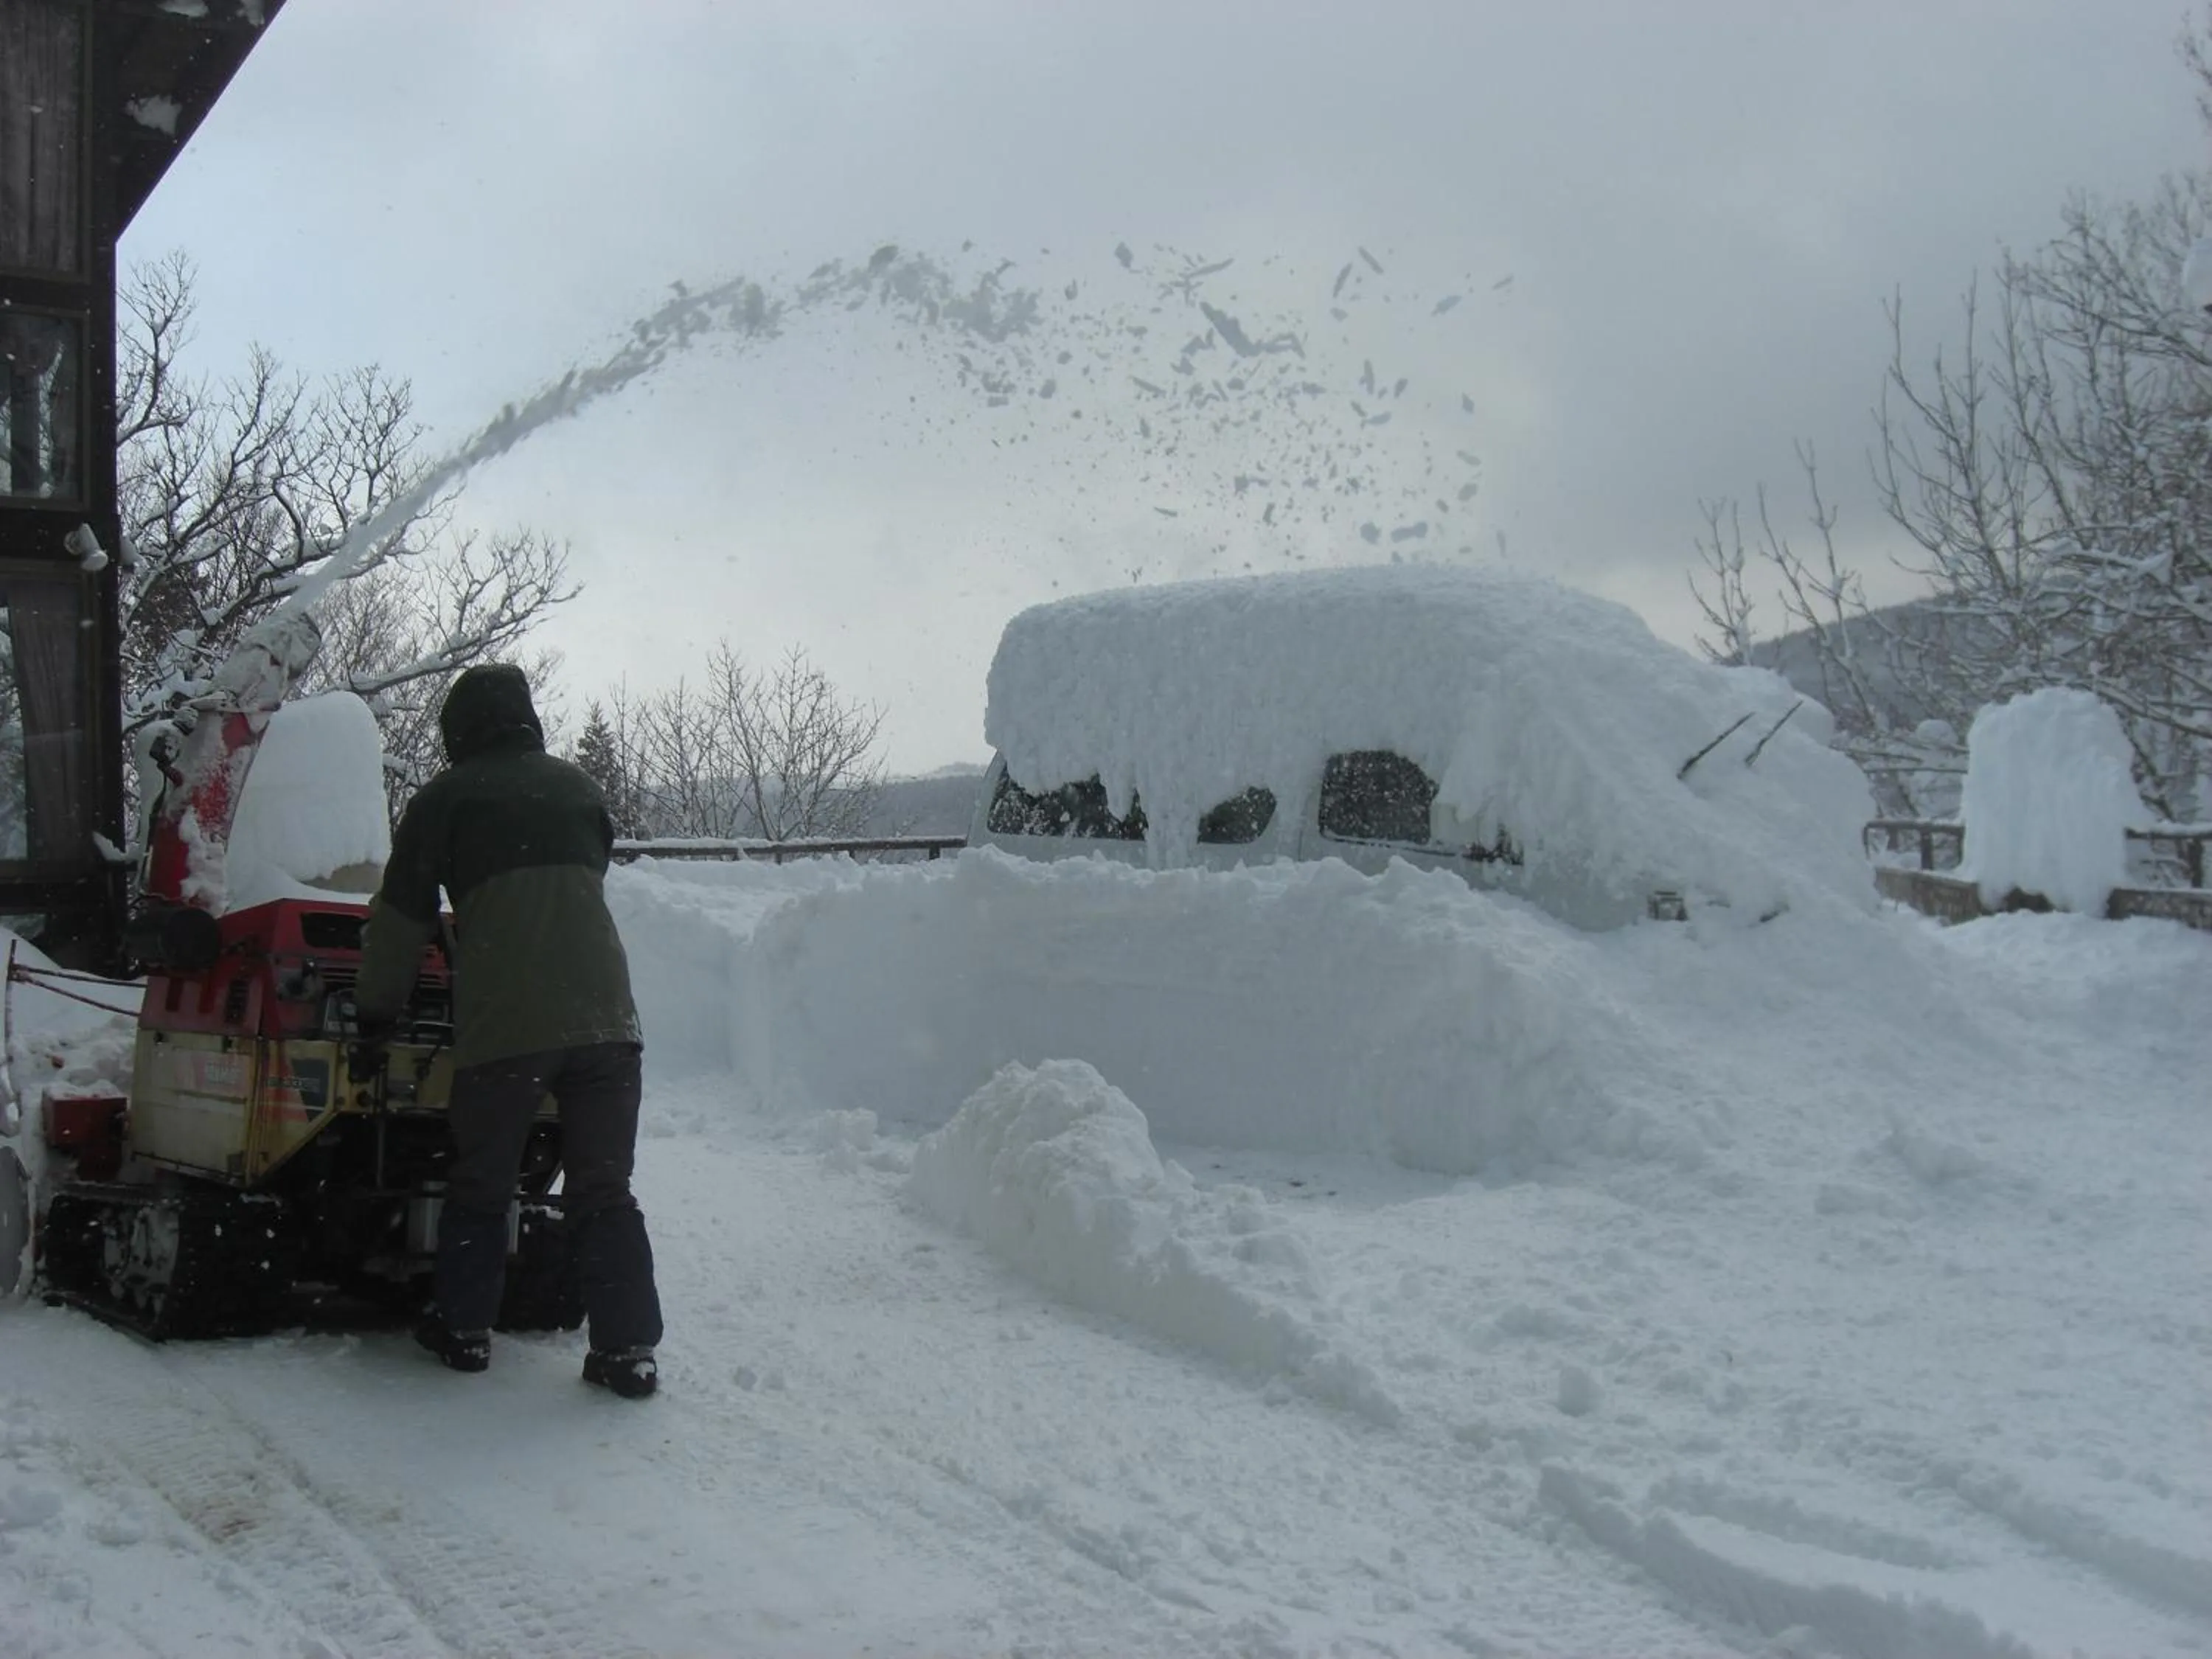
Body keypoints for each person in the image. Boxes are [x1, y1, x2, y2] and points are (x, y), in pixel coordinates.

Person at [353, 662, 662, 1399]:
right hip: (608, 1023)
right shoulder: (578, 788)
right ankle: (626, 1351)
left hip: (509, 1029)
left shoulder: (446, 798)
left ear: (458, 730)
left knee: (484, 1183)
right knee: (605, 1188)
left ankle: (463, 1330)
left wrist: (374, 1017)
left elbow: (399, 924)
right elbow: (576, 883)